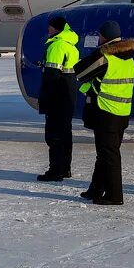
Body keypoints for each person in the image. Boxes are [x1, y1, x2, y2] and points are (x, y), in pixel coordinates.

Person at [74, 20, 134, 206]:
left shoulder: (105, 56)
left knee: (109, 154)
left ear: (103, 36)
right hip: (121, 112)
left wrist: (97, 52)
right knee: (105, 153)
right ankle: (95, 189)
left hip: (105, 112)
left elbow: (80, 72)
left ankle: (114, 195)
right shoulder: (128, 56)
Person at [36, 16, 79, 182]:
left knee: (53, 134)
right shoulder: (71, 46)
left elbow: (52, 75)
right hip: (68, 95)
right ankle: (65, 168)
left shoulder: (56, 45)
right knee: (65, 133)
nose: (48, 30)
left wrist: (45, 98)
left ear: (56, 29)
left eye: (50, 27)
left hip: (56, 96)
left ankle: (55, 171)